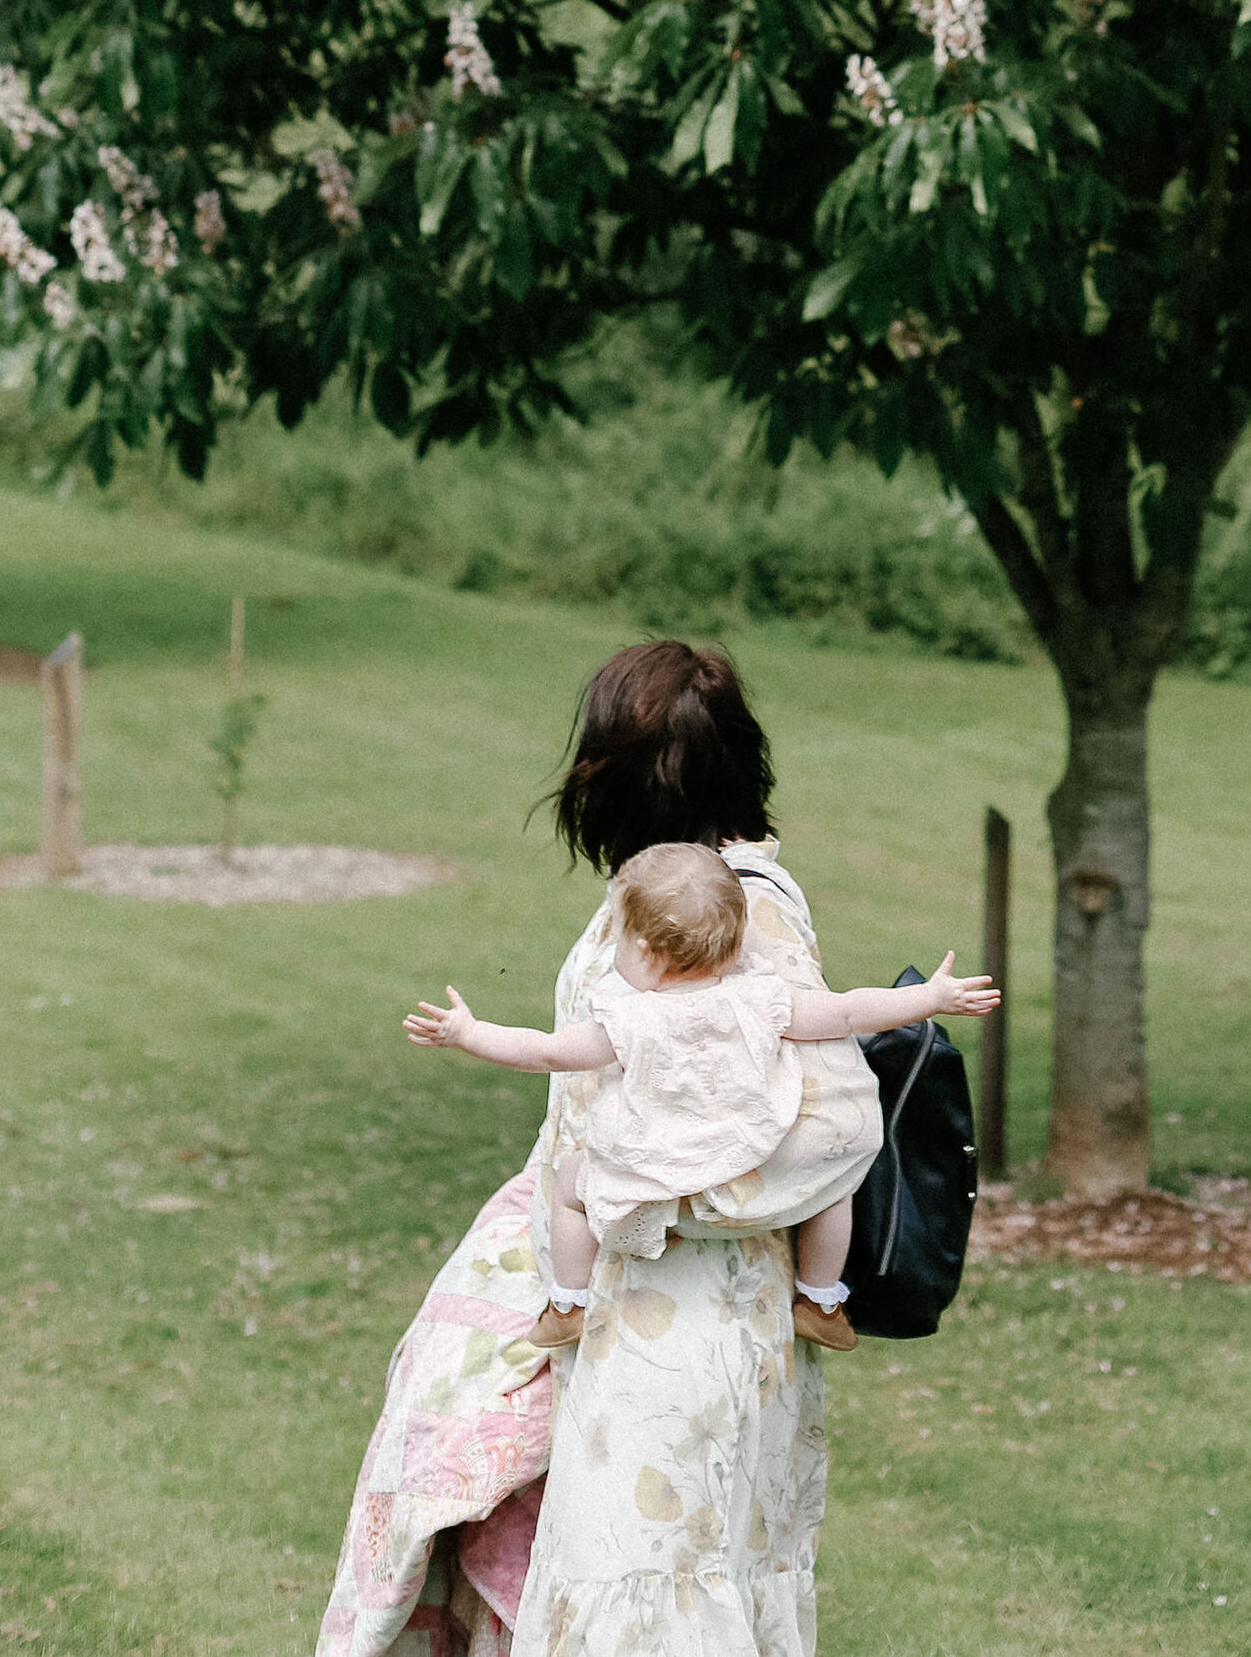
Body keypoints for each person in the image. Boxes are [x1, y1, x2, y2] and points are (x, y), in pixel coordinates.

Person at [317, 639, 885, 1657]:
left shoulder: (745, 911)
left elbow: (833, 1131)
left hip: (690, 1330)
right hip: (622, 1313)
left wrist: (625, 1195)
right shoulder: (676, 882)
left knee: (650, 1600)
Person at [403, 838, 996, 1356]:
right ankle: (820, 1301)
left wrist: (466, 1033)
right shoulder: (763, 999)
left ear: (648, 954)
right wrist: (933, 998)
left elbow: (547, 1052)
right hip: (757, 1168)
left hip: (660, 1178)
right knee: (836, 1177)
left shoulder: (630, 1020)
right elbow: (848, 1010)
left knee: (569, 1187)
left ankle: (568, 1304)